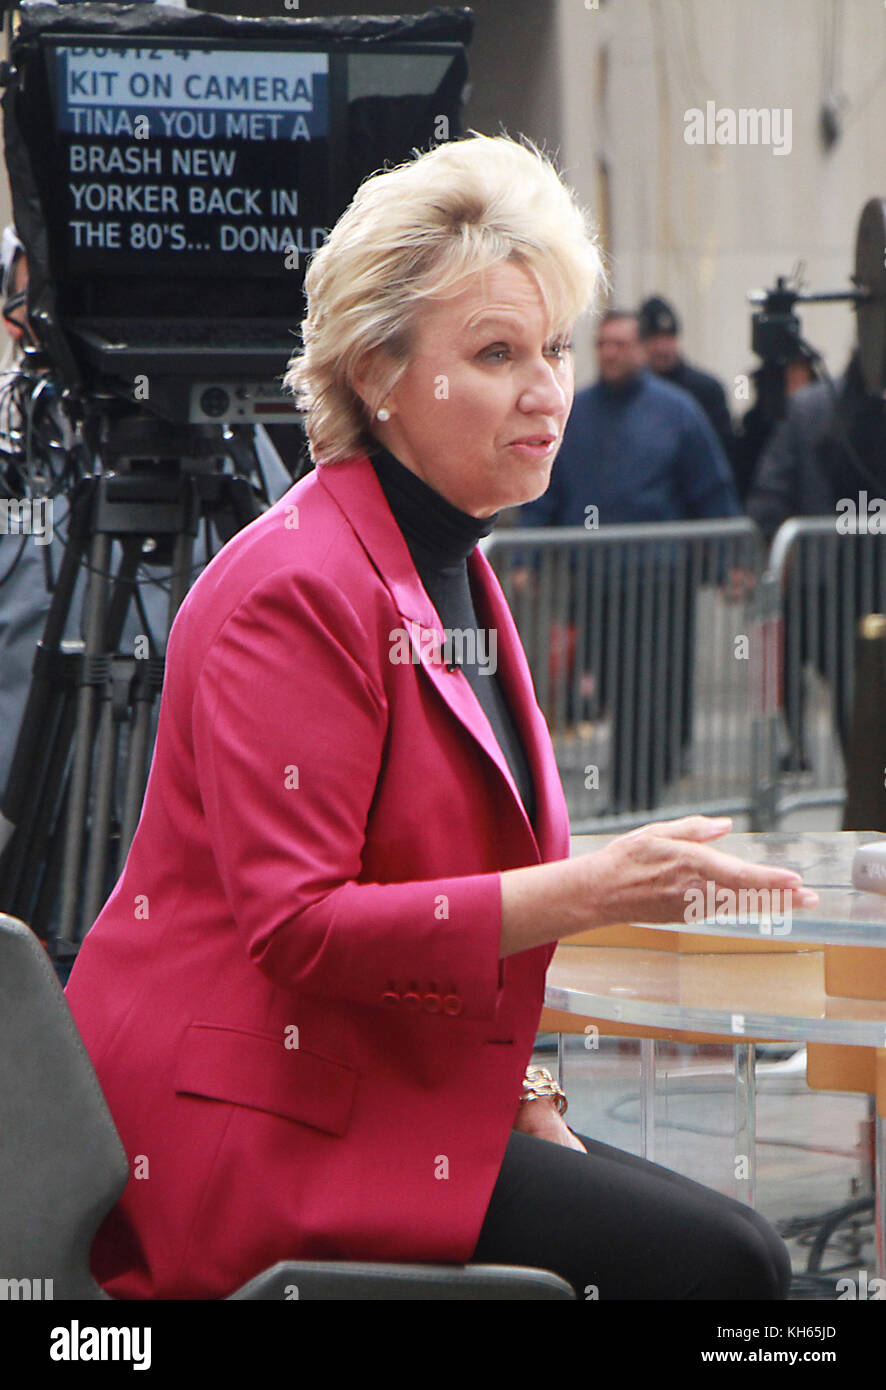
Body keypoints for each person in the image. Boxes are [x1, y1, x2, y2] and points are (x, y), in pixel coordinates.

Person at [64, 133, 814, 1301]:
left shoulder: (438, 553)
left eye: (555, 347)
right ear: (375, 373)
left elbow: (437, 895)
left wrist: (532, 1101)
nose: (548, 389)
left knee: (746, 1259)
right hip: (258, 1133)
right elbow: (302, 928)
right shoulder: (300, 584)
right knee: (731, 1267)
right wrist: (596, 888)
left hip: (380, 1097)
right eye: (497, 351)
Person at [518, 309, 741, 811]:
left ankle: (633, 795)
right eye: (603, 344)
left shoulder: (677, 411)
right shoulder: (577, 411)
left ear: (641, 349)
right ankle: (639, 785)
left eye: (621, 343)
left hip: (659, 577)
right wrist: (527, 552)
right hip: (596, 576)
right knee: (616, 685)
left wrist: (729, 562)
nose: (610, 352)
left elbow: (711, 488)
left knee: (648, 685)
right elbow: (544, 488)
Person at [638, 293, 736, 477]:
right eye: (655, 339)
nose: (663, 347)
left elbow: (722, 457)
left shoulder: (706, 390)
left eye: (669, 337)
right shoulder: (630, 393)